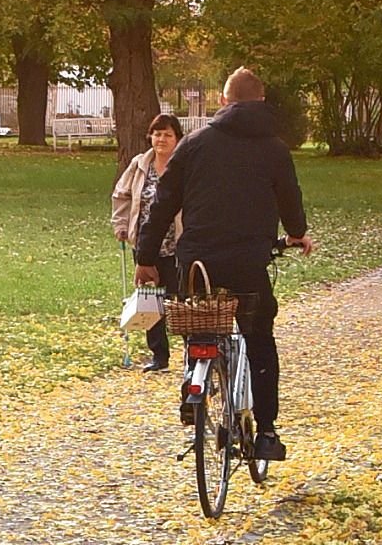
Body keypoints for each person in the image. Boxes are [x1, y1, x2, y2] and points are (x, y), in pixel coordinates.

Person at [133, 67, 313, 462]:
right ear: (262, 102)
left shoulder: (195, 145)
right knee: (259, 340)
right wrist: (296, 232)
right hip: (248, 263)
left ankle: (194, 380)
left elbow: (162, 204)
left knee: (199, 325)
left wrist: (146, 256)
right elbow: (290, 201)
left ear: (223, 101)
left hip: (198, 262)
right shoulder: (274, 149)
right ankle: (265, 431)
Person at [110, 112, 187, 368]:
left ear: (177, 138)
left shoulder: (184, 165)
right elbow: (122, 195)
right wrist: (121, 225)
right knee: (150, 300)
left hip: (178, 244)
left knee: (182, 302)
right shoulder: (140, 164)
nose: (161, 139)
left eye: (167, 134)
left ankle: (192, 354)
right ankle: (159, 356)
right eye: (157, 134)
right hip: (146, 245)